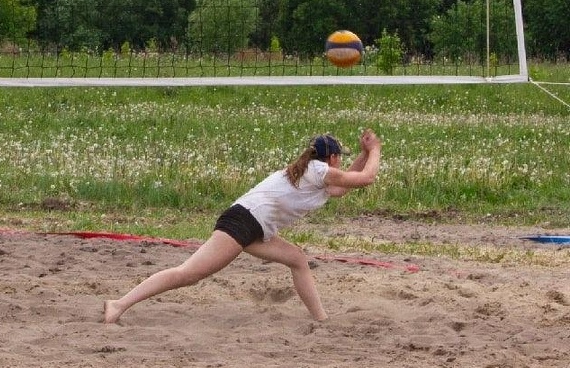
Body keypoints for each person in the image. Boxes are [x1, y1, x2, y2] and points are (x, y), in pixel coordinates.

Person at [103, 129, 382, 324]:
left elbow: (345, 185)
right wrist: (375, 151)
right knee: (188, 274)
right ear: (332, 158)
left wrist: (363, 154)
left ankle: (321, 320)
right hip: (242, 222)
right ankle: (118, 304)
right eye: (341, 157)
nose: (342, 162)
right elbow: (366, 179)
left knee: (297, 259)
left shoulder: (314, 173)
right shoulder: (318, 171)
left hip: (256, 227)